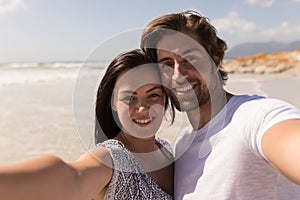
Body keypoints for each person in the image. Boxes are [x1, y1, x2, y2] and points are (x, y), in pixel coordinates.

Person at [140, 10, 300, 199]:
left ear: (215, 63)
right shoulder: (181, 146)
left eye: (190, 59)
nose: (177, 74)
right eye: (167, 64)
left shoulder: (256, 116)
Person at [0, 49, 175, 200]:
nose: (143, 108)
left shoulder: (166, 151)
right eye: (129, 97)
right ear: (113, 103)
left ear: (165, 97)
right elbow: (72, 178)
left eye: (153, 95)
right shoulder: (112, 159)